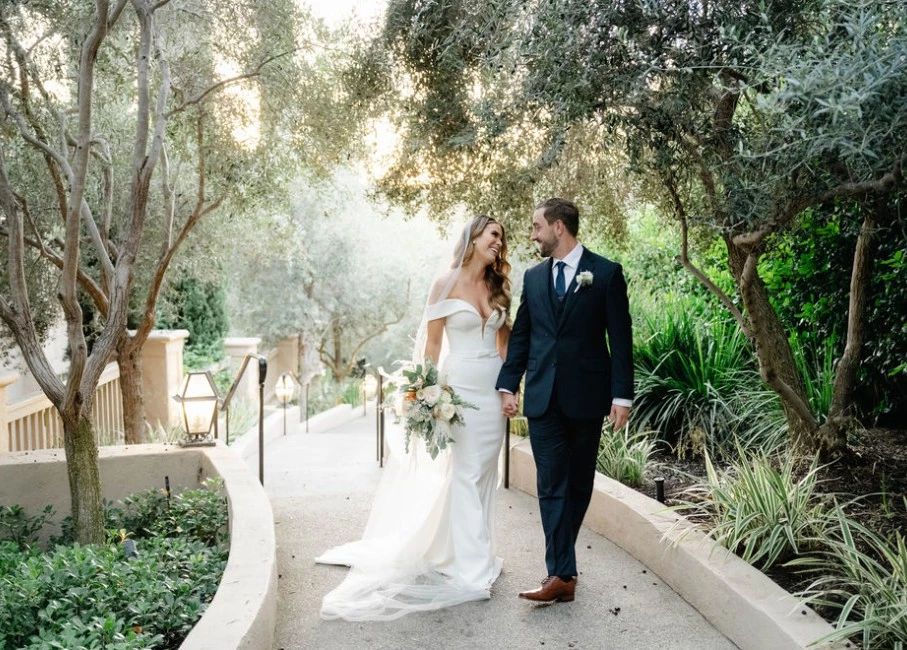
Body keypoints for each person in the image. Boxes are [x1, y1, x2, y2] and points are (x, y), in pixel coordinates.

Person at [316, 215, 512, 620]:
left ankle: (471, 550)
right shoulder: (444, 284)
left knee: (485, 472)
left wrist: (511, 389)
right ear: (473, 237)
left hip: (493, 392)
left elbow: (504, 344)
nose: (499, 242)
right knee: (465, 472)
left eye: (501, 238)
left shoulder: (498, 286)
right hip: (457, 391)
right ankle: (473, 570)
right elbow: (432, 345)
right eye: (494, 234)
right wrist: (427, 393)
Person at [496, 198, 633, 604]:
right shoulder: (534, 278)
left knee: (579, 484)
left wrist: (621, 395)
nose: (532, 234)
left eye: (537, 226)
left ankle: (562, 566)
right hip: (542, 398)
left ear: (559, 227)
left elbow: (621, 341)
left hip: (588, 397)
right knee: (551, 482)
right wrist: (509, 384)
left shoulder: (606, 274)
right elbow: (522, 336)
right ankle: (561, 573)